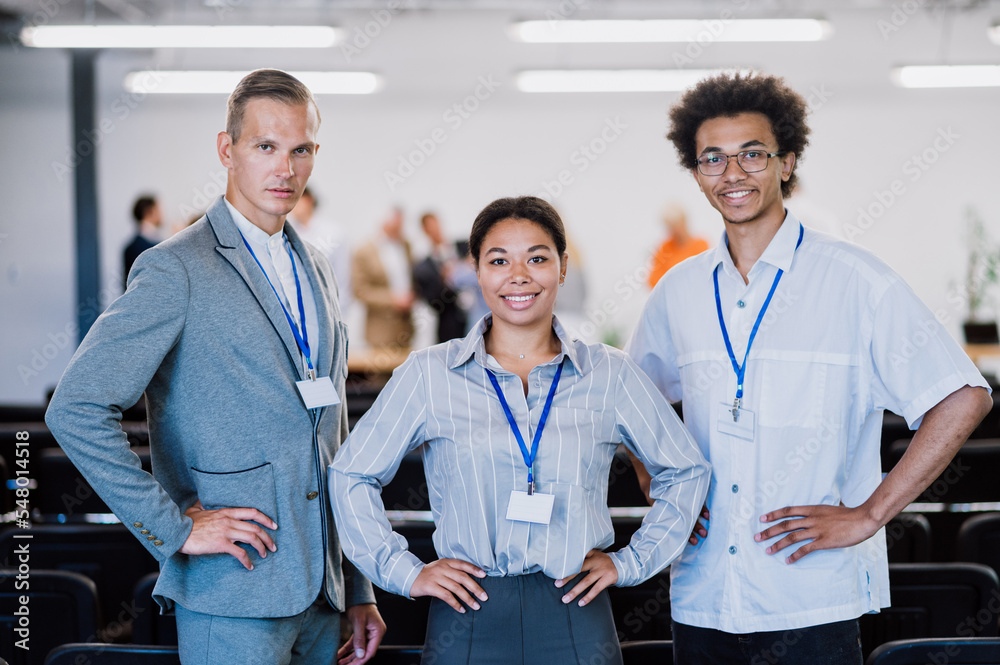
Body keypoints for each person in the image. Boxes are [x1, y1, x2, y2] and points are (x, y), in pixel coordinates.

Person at [626, 70, 992, 664]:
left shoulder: (856, 279)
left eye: (752, 154)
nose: (732, 173)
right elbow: (632, 405)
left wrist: (871, 513)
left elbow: (963, 395)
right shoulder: (678, 291)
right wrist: (659, 486)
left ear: (787, 162)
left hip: (811, 597)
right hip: (703, 592)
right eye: (712, 159)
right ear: (696, 174)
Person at [45, 69, 385, 665]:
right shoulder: (175, 269)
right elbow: (75, 408)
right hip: (233, 591)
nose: (286, 168)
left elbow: (334, 439)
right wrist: (174, 529)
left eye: (300, 149)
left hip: (324, 595)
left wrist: (357, 584)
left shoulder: (318, 268)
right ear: (227, 150)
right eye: (266, 147)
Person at [329, 196, 710, 665]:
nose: (519, 274)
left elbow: (686, 470)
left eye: (537, 257)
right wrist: (404, 571)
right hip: (467, 613)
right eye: (498, 260)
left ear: (562, 267)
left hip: (576, 611)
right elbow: (350, 475)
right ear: (476, 271)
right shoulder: (430, 374)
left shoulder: (610, 373)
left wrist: (631, 562)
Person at [352, 207, 415, 349]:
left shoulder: (406, 246)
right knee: (380, 370)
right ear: (384, 223)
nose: (398, 229)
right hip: (380, 330)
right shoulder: (364, 251)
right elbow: (360, 291)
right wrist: (392, 299)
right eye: (394, 225)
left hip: (405, 328)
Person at [290, 186, 353, 320]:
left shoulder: (334, 234)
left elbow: (342, 277)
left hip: (328, 311)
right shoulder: (286, 233)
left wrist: (339, 315)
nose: (292, 205)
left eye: (296, 199)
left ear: (309, 200)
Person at [413, 211, 467, 342]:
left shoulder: (464, 247)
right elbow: (434, 303)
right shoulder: (424, 268)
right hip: (451, 328)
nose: (435, 230)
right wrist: (445, 279)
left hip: (479, 316)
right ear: (424, 231)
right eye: (429, 227)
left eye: (435, 224)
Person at [646, 202, 709, 289]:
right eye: (670, 227)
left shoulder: (701, 245)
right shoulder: (664, 248)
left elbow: (705, 275)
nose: (675, 231)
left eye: (677, 226)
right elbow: (653, 281)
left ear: (684, 221)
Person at [123, 194, 163, 288]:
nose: (162, 215)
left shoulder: (129, 247)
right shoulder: (153, 247)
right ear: (149, 212)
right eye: (158, 210)